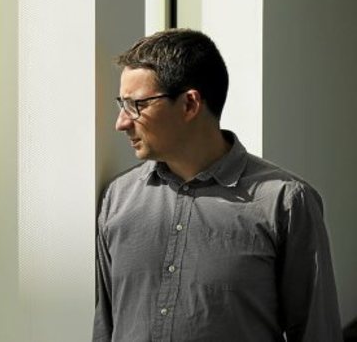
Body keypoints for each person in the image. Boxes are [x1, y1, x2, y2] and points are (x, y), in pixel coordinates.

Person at [93, 29, 342, 341]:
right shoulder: (118, 198)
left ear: (189, 104)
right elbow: (105, 327)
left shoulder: (285, 202)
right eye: (122, 104)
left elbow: (317, 332)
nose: (121, 122)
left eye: (136, 105)